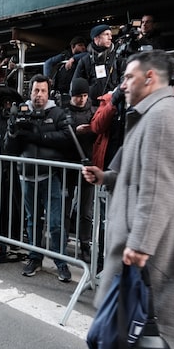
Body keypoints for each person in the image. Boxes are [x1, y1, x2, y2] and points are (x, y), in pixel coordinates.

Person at [82, 50, 174, 349]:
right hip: (137, 241)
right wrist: (105, 176)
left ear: (150, 78)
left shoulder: (163, 116)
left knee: (138, 324)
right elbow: (136, 172)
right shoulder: (150, 114)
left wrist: (141, 244)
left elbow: (159, 186)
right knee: (132, 325)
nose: (122, 85)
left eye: (128, 77)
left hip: (145, 247)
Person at [4, 74, 73, 281]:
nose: (39, 95)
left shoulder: (58, 113)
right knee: (32, 221)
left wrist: (39, 135)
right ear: (30, 91)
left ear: (48, 93)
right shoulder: (20, 112)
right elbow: (10, 149)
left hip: (51, 176)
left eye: (43, 91)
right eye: (36, 90)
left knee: (55, 223)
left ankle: (61, 262)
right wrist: (13, 131)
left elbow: (68, 138)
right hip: (27, 176)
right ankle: (34, 257)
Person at [62, 78, 97, 263]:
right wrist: (75, 132)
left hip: (88, 165)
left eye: (84, 95)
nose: (82, 99)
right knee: (65, 208)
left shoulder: (94, 111)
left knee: (86, 212)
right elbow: (60, 135)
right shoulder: (64, 111)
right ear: (72, 95)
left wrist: (91, 130)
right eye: (78, 96)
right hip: (68, 165)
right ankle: (62, 242)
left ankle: (85, 246)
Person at [0, 87, 24, 241]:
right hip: (1, 168)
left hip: (16, 167)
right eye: (5, 103)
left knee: (16, 203)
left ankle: (16, 235)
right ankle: (1, 233)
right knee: (0, 202)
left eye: (10, 103)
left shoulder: (19, 120)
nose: (7, 106)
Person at [73, 24, 125, 106]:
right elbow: (76, 84)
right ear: (96, 38)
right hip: (92, 106)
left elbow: (125, 79)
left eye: (110, 34)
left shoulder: (117, 57)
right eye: (106, 34)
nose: (110, 38)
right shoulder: (85, 60)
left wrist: (115, 95)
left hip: (114, 104)